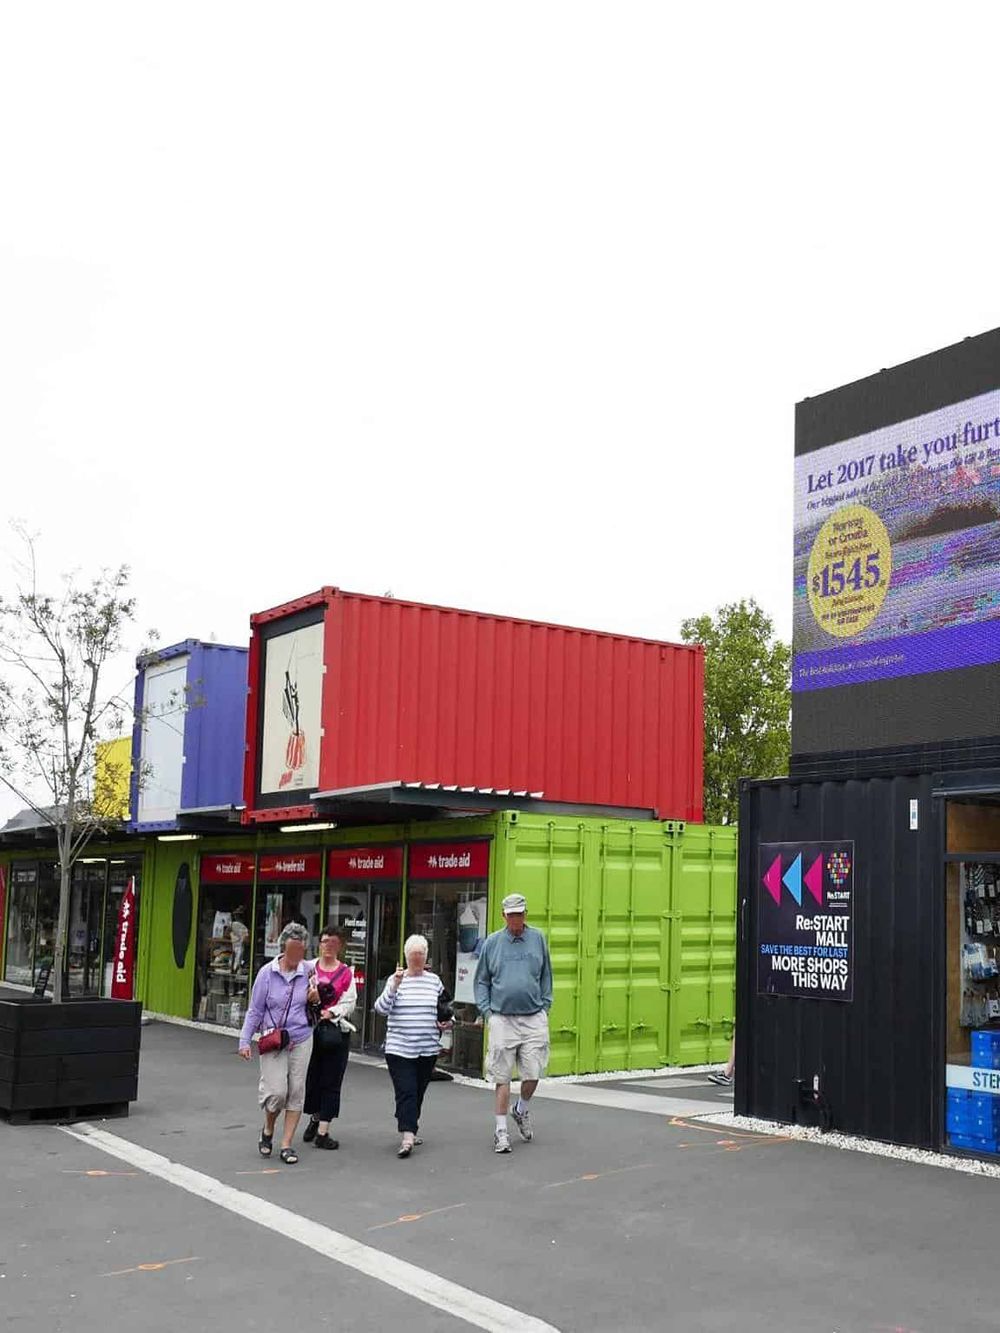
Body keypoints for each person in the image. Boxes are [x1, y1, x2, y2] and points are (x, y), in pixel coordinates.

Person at [474, 892, 552, 1154]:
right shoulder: (492, 944)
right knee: (502, 1076)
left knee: (533, 1073)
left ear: (525, 914)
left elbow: (546, 975)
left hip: (534, 1016)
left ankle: (521, 1109)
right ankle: (501, 1132)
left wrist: (546, 1005)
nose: (516, 919)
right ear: (503, 916)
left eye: (520, 914)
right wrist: (488, 1012)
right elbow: (482, 980)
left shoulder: (538, 938)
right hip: (502, 1018)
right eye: (512, 915)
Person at [238, 921, 317, 1165]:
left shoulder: (309, 972)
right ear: (283, 947)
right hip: (273, 1039)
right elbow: (254, 1011)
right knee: (276, 1093)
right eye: (293, 950)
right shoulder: (266, 973)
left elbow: (317, 1007)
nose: (297, 956)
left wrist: (315, 999)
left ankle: (286, 1145)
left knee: (296, 1092)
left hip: (301, 1038)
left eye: (301, 951)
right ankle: (268, 1128)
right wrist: (244, 1041)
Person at [374, 934, 450, 1158]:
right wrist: (394, 986)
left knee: (417, 1091)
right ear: (406, 957)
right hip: (399, 1048)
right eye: (413, 956)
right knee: (406, 1089)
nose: (417, 960)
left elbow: (445, 1008)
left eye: (420, 955)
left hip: (427, 1048)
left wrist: (447, 1021)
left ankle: (408, 1122)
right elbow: (381, 1008)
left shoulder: (434, 981)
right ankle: (407, 1136)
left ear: (426, 956)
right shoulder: (395, 979)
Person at [302, 926, 357, 1151]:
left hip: (334, 1033)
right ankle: (316, 1117)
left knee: (332, 1080)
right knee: (313, 1078)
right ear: (319, 943)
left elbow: (350, 1002)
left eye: (333, 942)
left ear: (339, 946)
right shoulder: (308, 968)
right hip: (309, 1032)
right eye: (325, 941)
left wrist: (332, 1012)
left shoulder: (346, 973)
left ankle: (323, 1131)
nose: (328, 946)